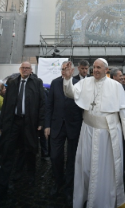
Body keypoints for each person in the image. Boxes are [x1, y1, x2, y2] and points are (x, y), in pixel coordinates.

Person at [63, 58, 125, 208]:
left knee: (105, 171)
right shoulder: (85, 82)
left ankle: (102, 202)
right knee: (86, 168)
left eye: (99, 67)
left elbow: (124, 112)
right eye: (94, 67)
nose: (95, 70)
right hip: (87, 131)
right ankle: (86, 198)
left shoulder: (115, 86)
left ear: (106, 70)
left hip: (107, 135)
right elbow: (70, 93)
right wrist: (67, 79)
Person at [0, 61, 45, 206]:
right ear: (20, 69)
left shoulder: (37, 83)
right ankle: (2, 188)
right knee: (7, 153)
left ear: (31, 70)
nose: (25, 70)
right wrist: (1, 124)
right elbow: (6, 105)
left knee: (30, 150)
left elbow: (43, 103)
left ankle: (31, 175)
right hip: (13, 123)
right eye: (23, 68)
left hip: (30, 122)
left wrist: (41, 122)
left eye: (27, 68)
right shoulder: (12, 83)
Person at [44, 61, 82, 207]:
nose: (64, 71)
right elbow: (49, 105)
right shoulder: (54, 83)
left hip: (74, 126)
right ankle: (57, 181)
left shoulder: (79, 83)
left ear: (72, 70)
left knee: (72, 159)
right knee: (55, 156)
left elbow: (81, 106)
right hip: (56, 125)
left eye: (67, 68)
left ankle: (68, 187)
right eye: (62, 68)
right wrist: (47, 125)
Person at [110, 68, 125, 183]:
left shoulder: (122, 88)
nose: (121, 77)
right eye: (120, 76)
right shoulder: (109, 88)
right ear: (114, 77)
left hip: (124, 125)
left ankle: (123, 172)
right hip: (113, 126)